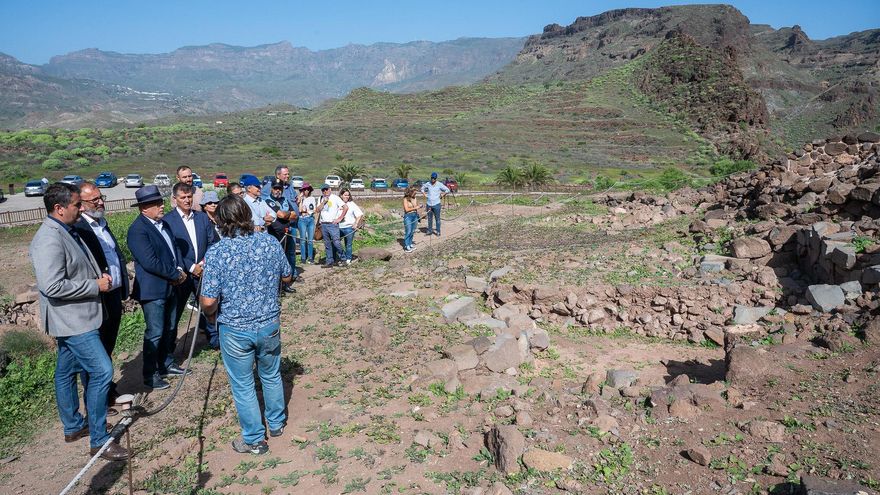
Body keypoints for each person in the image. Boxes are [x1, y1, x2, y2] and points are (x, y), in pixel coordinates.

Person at [30, 183, 129, 461]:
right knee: (101, 371)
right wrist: (94, 285)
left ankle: (73, 427)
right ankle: (99, 440)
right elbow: (52, 286)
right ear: (59, 208)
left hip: (78, 316)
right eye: (76, 204)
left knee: (65, 371)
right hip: (74, 320)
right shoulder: (49, 238)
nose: (81, 207)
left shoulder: (66, 229)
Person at [200, 194, 292, 455]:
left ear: (221, 220)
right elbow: (287, 276)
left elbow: (208, 300)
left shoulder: (218, 251)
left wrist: (210, 316)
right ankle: (276, 424)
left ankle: (254, 439)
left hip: (235, 328)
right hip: (268, 323)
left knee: (243, 384)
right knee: (271, 374)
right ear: (247, 215)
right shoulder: (269, 243)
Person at [127, 185, 190, 390]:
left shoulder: (163, 225)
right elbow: (150, 261)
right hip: (154, 290)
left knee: (170, 327)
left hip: (171, 286)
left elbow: (175, 251)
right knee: (155, 331)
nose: (161, 206)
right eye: (155, 203)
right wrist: (175, 275)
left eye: (160, 202)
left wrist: (179, 268)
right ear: (144, 208)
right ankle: (150, 373)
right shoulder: (138, 230)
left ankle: (166, 363)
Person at [74, 182, 130, 412]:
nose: (100, 202)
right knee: (95, 355)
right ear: (81, 205)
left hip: (113, 294)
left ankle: (106, 391)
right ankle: (95, 403)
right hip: (97, 297)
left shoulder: (101, 224)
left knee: (107, 347)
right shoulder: (80, 229)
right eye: (94, 200)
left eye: (100, 197)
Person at [165, 183, 220, 348]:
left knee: (210, 308)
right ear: (175, 199)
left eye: (189, 197)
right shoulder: (168, 221)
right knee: (174, 314)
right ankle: (168, 353)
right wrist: (191, 267)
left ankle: (216, 340)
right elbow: (172, 249)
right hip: (182, 276)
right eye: (183, 197)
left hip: (202, 272)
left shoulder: (202, 218)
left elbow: (212, 242)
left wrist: (203, 263)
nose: (187, 200)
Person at [265, 179, 298, 293]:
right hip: (275, 234)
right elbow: (281, 214)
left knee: (287, 258)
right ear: (271, 189)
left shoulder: (285, 200)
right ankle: (276, 286)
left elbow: (294, 215)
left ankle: (285, 285)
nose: (277, 191)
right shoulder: (268, 200)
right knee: (277, 260)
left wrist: (286, 215)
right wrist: (286, 214)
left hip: (286, 232)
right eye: (275, 188)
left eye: (280, 188)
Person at [315, 184, 347, 267]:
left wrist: (340, 218)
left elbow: (345, 207)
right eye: (323, 190)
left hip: (333, 224)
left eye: (326, 189)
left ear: (330, 189)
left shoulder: (335, 198)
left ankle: (343, 258)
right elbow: (317, 210)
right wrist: (324, 202)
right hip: (323, 224)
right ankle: (329, 261)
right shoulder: (320, 198)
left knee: (336, 242)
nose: (325, 191)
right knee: (327, 244)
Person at [338, 188, 364, 264]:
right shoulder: (338, 203)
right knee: (336, 243)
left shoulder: (351, 204)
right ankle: (342, 257)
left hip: (349, 228)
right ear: (341, 195)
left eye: (348, 195)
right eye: (345, 195)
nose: (347, 196)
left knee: (348, 244)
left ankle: (348, 259)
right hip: (339, 227)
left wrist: (356, 223)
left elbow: (359, 214)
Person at [421, 172, 450, 236]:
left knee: (437, 219)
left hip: (436, 204)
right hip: (429, 204)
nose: (433, 179)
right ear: (430, 177)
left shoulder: (439, 184)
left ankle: (438, 231)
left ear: (436, 178)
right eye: (432, 178)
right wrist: (424, 195)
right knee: (429, 218)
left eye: (434, 178)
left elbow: (447, 190)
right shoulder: (428, 184)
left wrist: (442, 195)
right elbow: (422, 188)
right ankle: (430, 230)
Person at [296, 183, 318, 264]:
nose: (306, 191)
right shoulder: (299, 198)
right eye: (305, 189)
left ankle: (310, 257)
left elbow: (313, 209)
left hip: (310, 219)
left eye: (308, 189)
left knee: (310, 240)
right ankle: (303, 257)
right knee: (302, 239)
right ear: (302, 190)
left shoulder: (312, 198)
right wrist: (300, 198)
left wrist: (307, 211)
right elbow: (299, 210)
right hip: (302, 220)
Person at [402, 186, 420, 253]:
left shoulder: (415, 198)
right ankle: (406, 246)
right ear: (411, 192)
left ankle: (410, 244)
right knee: (408, 231)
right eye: (414, 193)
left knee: (412, 231)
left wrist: (418, 208)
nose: (415, 194)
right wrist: (416, 207)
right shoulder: (405, 199)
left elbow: (416, 206)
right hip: (408, 216)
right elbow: (406, 209)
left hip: (415, 215)